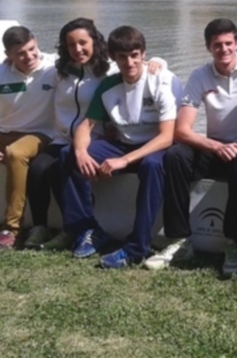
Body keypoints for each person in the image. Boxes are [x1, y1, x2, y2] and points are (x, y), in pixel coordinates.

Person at [144, 19, 237, 277]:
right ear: (208, 48)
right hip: (214, 145)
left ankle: (235, 243)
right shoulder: (200, 75)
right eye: (217, 45)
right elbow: (183, 130)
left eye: (228, 44)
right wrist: (214, 145)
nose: (223, 50)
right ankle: (179, 240)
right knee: (176, 155)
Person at [60, 25, 181, 268]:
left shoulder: (162, 81)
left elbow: (167, 136)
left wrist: (125, 160)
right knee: (67, 155)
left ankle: (137, 247)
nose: (129, 62)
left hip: (156, 146)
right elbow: (87, 125)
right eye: (123, 57)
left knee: (152, 165)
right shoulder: (108, 86)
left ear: (144, 54)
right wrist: (81, 151)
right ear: (114, 58)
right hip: (123, 144)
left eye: (134, 55)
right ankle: (88, 229)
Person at [24, 18, 111, 251]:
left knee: (61, 166)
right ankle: (40, 226)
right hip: (62, 137)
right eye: (71, 45)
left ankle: (71, 229)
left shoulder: (108, 69)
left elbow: (144, 63)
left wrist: (158, 62)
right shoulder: (60, 69)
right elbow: (32, 61)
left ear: (95, 41)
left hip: (95, 139)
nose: (77, 49)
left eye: (83, 42)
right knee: (38, 168)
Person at [0, 26, 57, 250]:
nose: (29, 56)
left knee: (16, 153)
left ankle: (11, 229)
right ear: (8, 55)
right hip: (4, 132)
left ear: (36, 42)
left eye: (32, 49)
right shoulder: (2, 72)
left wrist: (158, 61)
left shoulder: (55, 66)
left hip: (39, 133)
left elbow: (106, 65)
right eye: (21, 53)